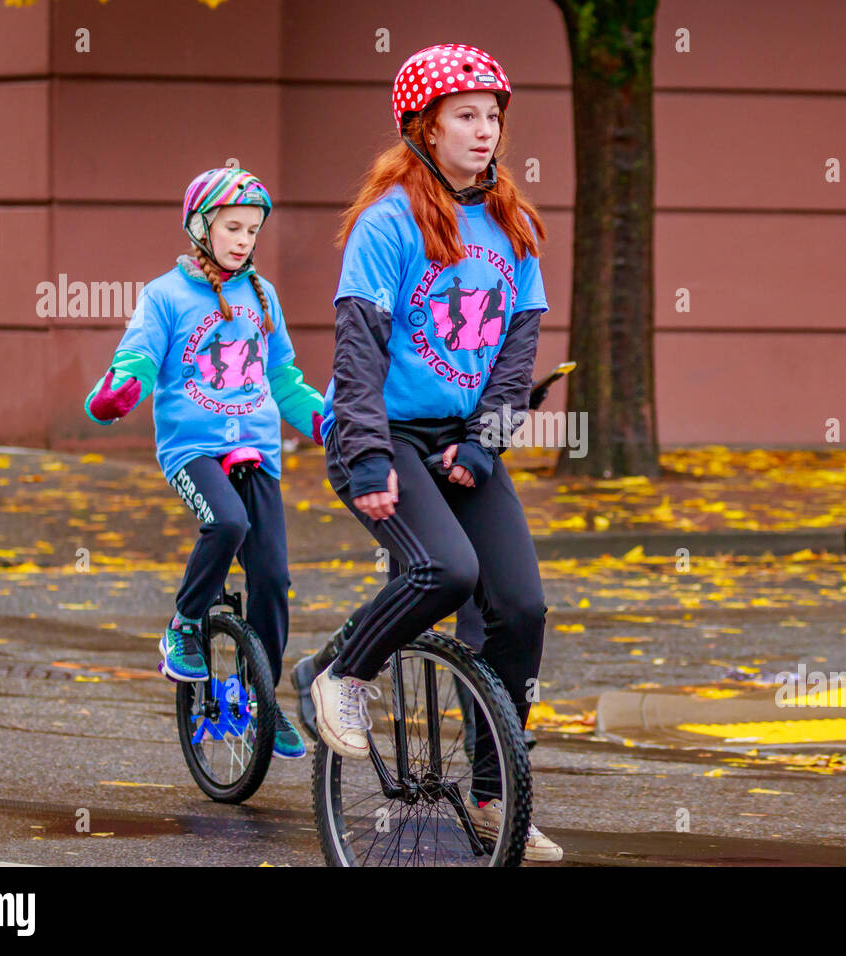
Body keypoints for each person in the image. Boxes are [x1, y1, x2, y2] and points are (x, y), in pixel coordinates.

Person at [305, 43, 561, 862]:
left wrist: (486, 446)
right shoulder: (388, 224)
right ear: (424, 126)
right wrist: (370, 455)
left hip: (461, 442)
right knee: (445, 572)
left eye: (493, 116)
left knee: (519, 609)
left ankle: (492, 795)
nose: (485, 131)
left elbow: (518, 357)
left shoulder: (512, 224)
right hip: (380, 436)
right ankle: (340, 675)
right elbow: (358, 349)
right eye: (466, 115)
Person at [82, 167, 324, 761]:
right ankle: (185, 624)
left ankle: (259, 694)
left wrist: (329, 425)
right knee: (228, 523)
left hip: (259, 449)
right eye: (232, 227)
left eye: (252, 230)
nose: (244, 239)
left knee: (271, 578)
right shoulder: (165, 295)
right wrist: (119, 392)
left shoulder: (262, 297)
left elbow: (284, 380)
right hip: (194, 450)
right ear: (200, 227)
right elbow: (137, 355)